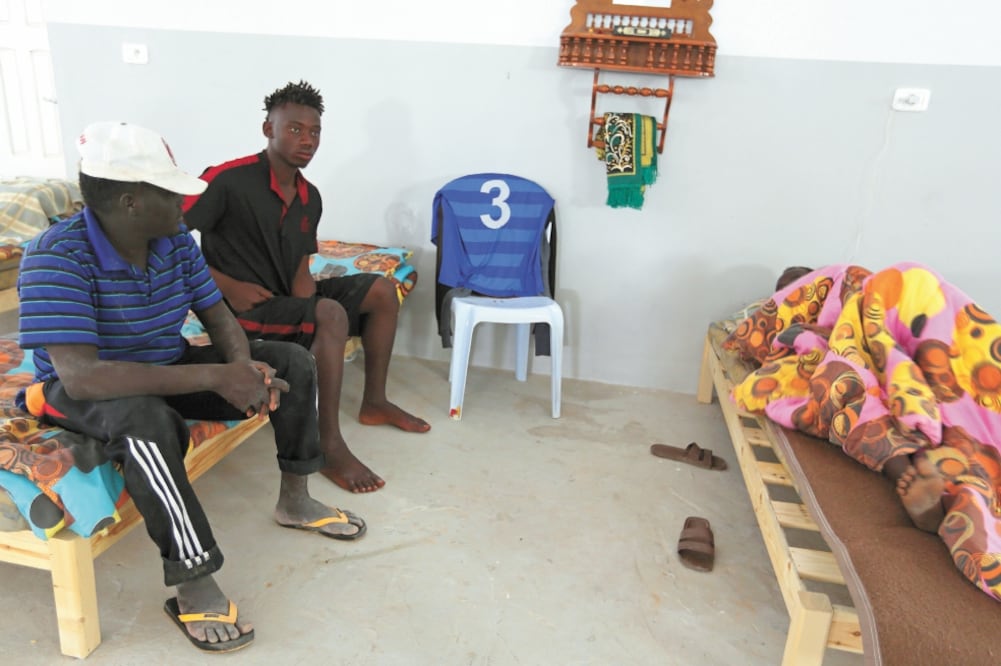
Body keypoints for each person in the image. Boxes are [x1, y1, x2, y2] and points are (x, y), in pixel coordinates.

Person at [17, 121, 366, 653]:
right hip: (84, 390)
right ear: (131, 202)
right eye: (171, 190)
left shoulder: (174, 239)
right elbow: (83, 377)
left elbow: (218, 315)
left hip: (166, 363)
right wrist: (212, 376)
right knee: (147, 421)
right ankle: (193, 576)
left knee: (291, 362)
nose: (186, 199)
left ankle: (295, 499)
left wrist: (244, 370)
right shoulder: (55, 256)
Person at [183, 80, 429, 495]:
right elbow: (168, 238)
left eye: (314, 132)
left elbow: (301, 266)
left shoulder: (308, 196)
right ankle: (328, 445)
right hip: (238, 311)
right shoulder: (225, 179)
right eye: (295, 129)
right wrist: (223, 284)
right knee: (329, 314)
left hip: (282, 299)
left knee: (381, 291)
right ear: (268, 129)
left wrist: (311, 308)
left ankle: (374, 403)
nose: (307, 140)